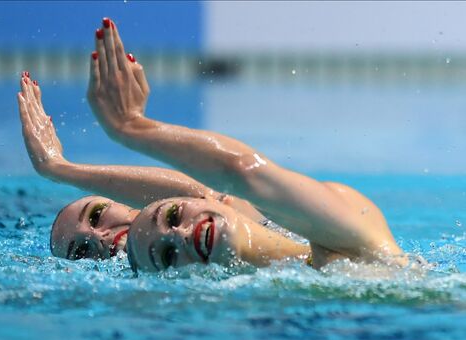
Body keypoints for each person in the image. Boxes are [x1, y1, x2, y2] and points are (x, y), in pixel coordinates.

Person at [80, 18, 407, 271]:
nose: (177, 235)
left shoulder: (339, 241)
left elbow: (242, 171)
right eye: (166, 256)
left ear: (216, 197)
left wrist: (132, 128)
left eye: (175, 214)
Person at [17, 64, 307, 261]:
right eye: (80, 251)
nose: (97, 237)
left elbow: (204, 196)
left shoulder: (207, 222)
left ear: (126, 201)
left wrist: (62, 170)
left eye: (96, 215)